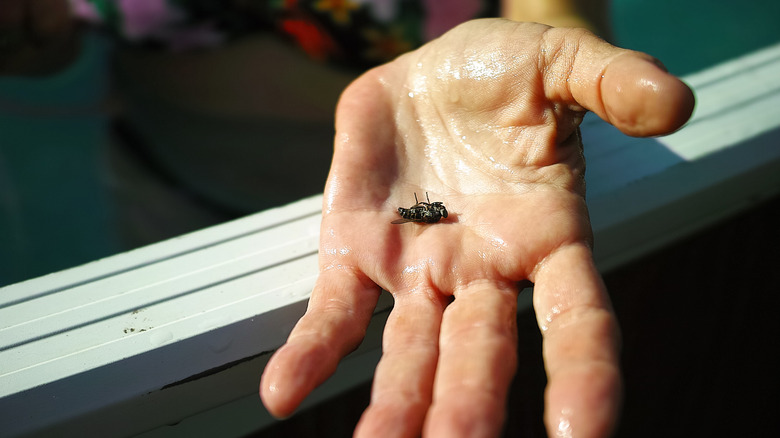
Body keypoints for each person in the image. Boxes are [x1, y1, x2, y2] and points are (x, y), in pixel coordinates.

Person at [1, 2, 695, 437]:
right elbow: (58, 37)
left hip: (417, 181)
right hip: (169, 173)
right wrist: (34, 36)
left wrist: (555, 43)